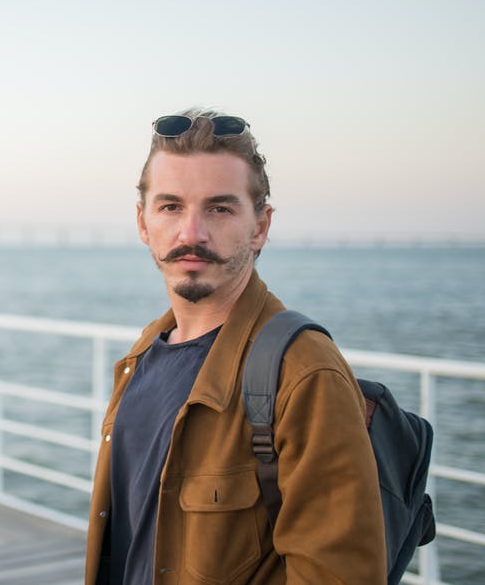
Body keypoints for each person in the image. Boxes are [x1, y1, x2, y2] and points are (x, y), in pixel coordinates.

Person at [85, 109, 386, 585]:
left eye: (220, 209)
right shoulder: (143, 353)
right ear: (143, 223)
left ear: (260, 227)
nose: (192, 233)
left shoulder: (303, 371)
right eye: (170, 207)